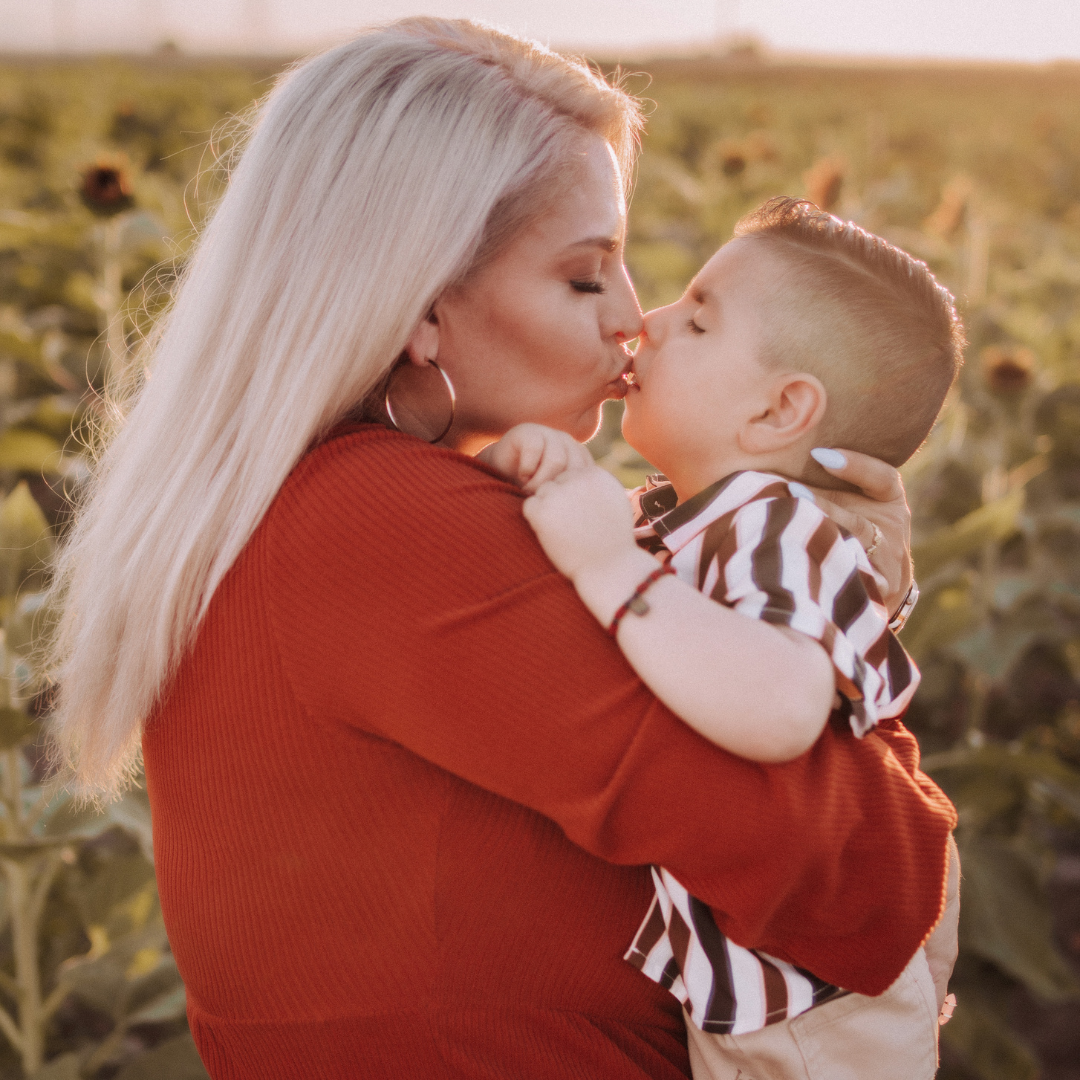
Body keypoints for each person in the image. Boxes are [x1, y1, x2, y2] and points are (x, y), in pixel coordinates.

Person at [45, 19, 956, 1079]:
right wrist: (827, 604)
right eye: (584, 277)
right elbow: (868, 874)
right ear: (424, 308)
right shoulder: (389, 524)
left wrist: (782, 572)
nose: (632, 320)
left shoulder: (297, 503)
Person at [481, 197, 964, 1080]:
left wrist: (605, 565)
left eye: (697, 321)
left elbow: (779, 705)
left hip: (811, 1010)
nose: (647, 323)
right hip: (791, 985)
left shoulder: (773, 527)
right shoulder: (706, 522)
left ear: (783, 411)